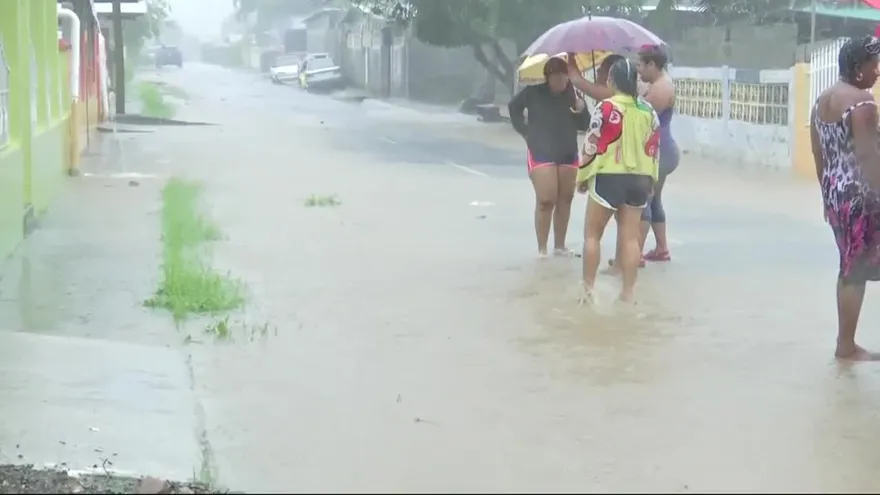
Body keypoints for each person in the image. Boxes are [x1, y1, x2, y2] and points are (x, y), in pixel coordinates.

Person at [811, 36, 880, 361]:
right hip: (863, 195)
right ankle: (846, 345)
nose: (877, 71)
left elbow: (818, 153)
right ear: (857, 66)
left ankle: (846, 343)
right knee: (856, 269)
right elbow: (868, 158)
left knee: (850, 265)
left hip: (837, 193)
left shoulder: (823, 100)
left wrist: (827, 196)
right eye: (873, 64)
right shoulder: (863, 101)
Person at [578, 58, 659, 303]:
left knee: (592, 236)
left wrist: (582, 176)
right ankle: (628, 293)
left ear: (612, 81)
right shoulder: (648, 111)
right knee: (630, 237)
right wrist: (652, 181)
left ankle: (588, 291)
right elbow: (655, 148)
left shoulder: (604, 108)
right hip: (640, 180)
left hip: (608, 177)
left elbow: (590, 145)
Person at [508, 56, 589, 257]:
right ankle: (542, 249)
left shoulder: (573, 96)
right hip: (540, 150)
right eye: (556, 76)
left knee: (566, 198)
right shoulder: (533, 93)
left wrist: (582, 109)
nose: (561, 81)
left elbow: (585, 125)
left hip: (567, 151)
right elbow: (513, 108)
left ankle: (560, 246)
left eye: (564, 76)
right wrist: (525, 131)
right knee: (546, 199)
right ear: (548, 77)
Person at [635, 45, 679, 263]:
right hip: (663, 151)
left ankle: (634, 256)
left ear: (652, 64)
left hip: (659, 152)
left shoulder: (661, 88)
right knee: (654, 201)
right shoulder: (658, 84)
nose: (638, 70)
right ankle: (661, 249)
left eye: (640, 64)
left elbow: (641, 119)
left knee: (644, 200)